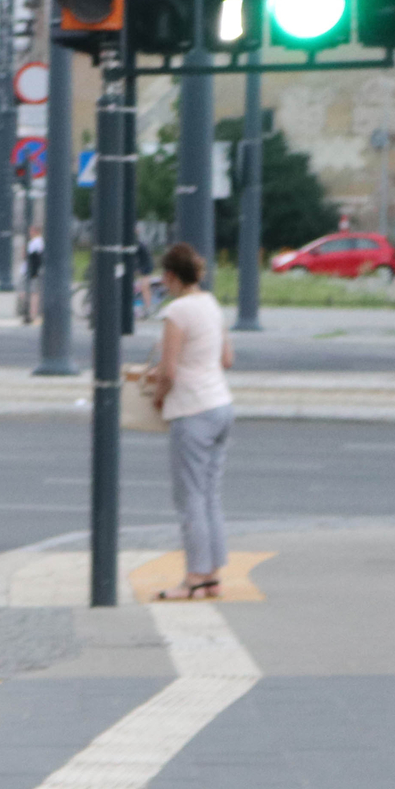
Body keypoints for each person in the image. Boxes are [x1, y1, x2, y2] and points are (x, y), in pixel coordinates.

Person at [146, 241, 234, 600]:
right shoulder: (210, 304)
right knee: (210, 494)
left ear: (170, 276)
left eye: (163, 279)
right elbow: (227, 358)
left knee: (190, 498)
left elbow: (167, 371)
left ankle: (194, 578)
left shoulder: (177, 312)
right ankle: (212, 575)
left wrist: (157, 398)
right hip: (221, 405)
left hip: (192, 410)